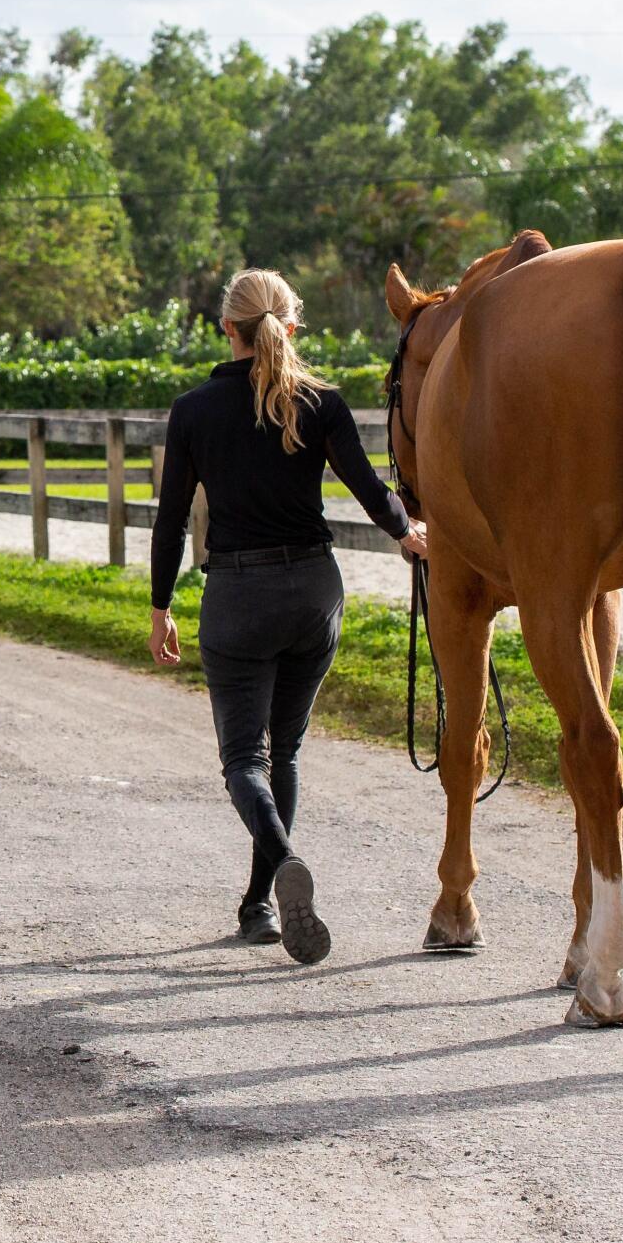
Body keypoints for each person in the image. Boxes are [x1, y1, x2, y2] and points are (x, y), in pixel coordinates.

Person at [150, 268, 426, 964]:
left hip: (238, 597)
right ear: (292, 326)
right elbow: (369, 488)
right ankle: (259, 905)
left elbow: (171, 520)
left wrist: (161, 607)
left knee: (245, 758)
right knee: (287, 751)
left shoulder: (193, 411)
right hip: (313, 592)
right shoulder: (320, 402)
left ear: (227, 328)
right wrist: (408, 532)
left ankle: (283, 864)